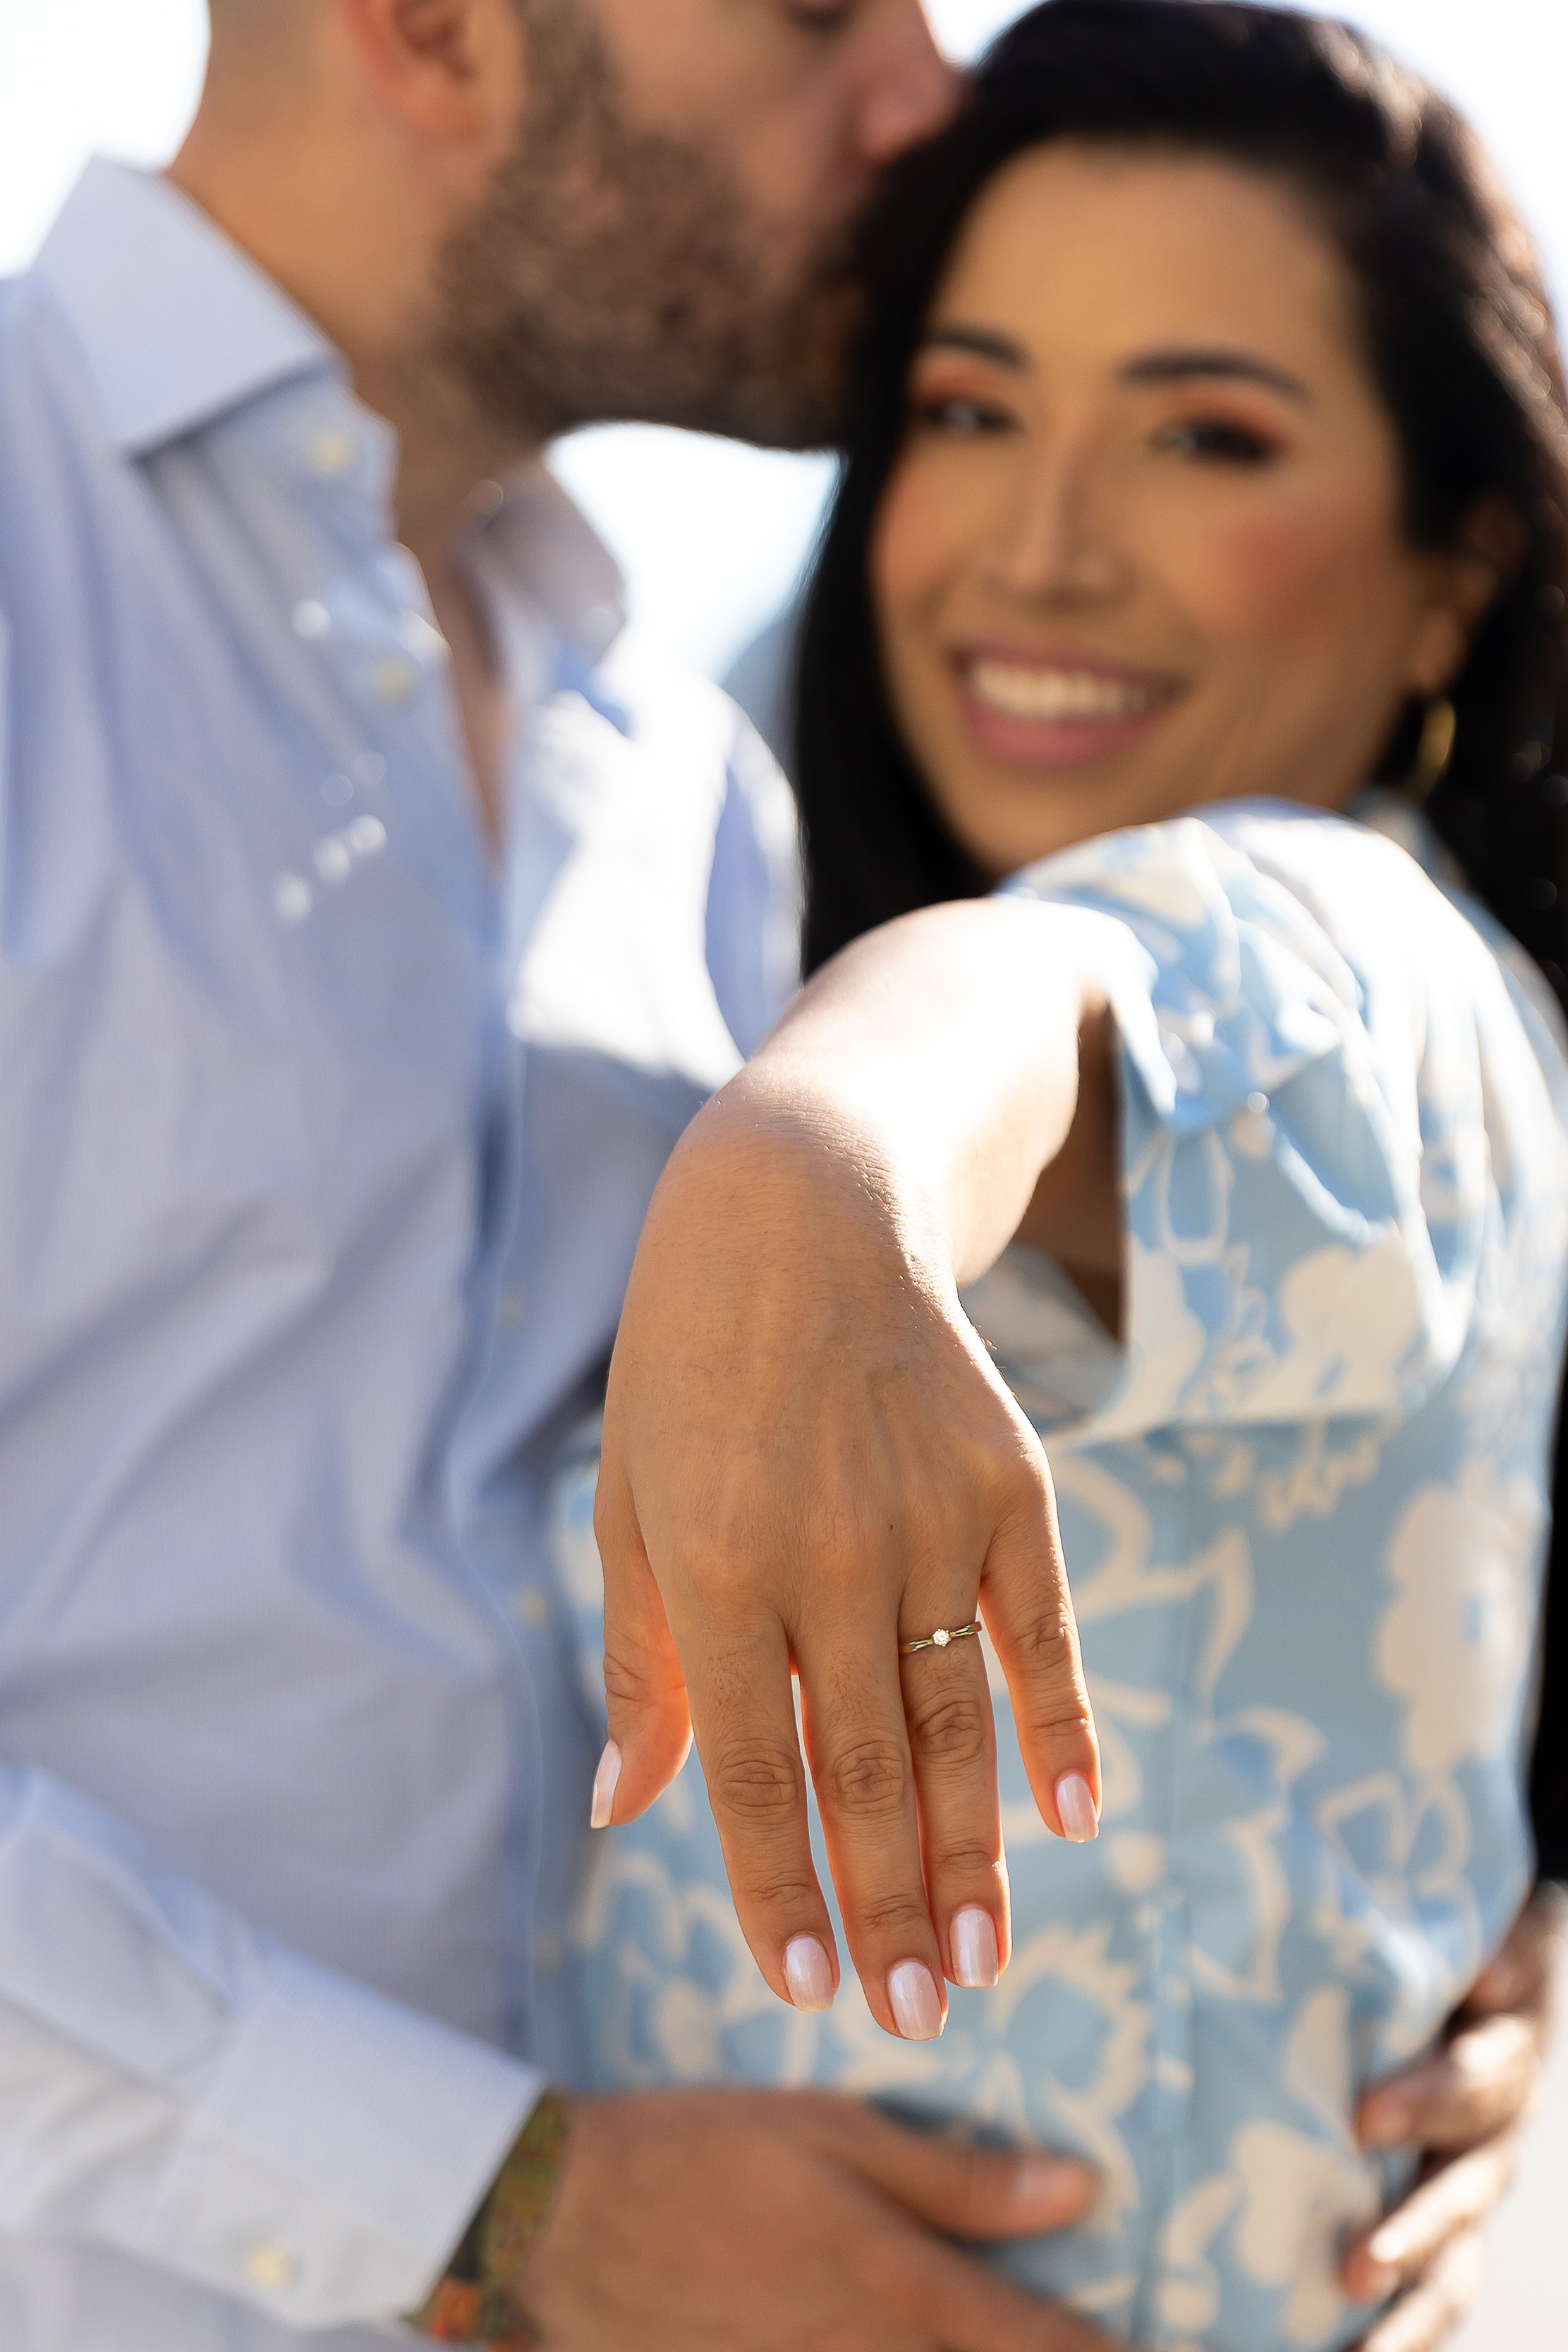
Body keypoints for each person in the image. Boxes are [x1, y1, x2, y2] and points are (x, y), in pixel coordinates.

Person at [0, 1, 1545, 2348]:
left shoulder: (681, 795)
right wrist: (486, 2200)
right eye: (830, 11)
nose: (927, 90)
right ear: (433, 26)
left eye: (1202, 432)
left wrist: (1475, 1942)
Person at [561, 4, 1568, 2346]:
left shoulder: (1365, 964)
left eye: (1207, 435)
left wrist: (821, 1155)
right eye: (970, 407)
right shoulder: (692, 933)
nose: (1039, 545)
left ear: (1456, 570)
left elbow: (1083, 999)